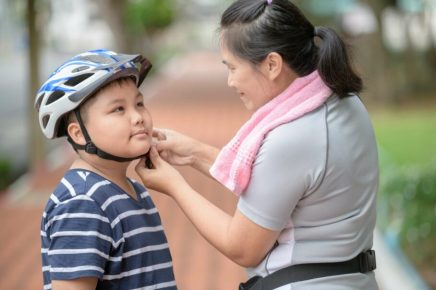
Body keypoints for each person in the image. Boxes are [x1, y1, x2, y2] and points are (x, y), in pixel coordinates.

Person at [136, 0, 378, 289]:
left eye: (233, 67)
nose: (229, 81)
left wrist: (174, 185)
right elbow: (279, 182)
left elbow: (242, 247)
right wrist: (193, 152)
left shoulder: (293, 136)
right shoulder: (342, 101)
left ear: (272, 64)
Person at [35, 49, 177, 290]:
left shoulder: (133, 191)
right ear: (78, 134)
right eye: (118, 109)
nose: (138, 117)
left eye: (139, 103)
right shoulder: (82, 201)